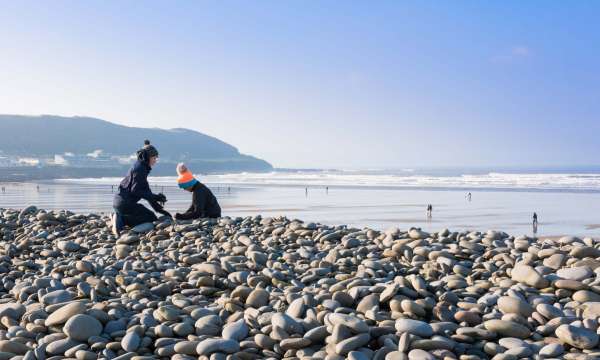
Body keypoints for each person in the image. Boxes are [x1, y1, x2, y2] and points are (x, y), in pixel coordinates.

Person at [111, 140, 168, 235]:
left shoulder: (142, 167)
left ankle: (116, 216)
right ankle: (122, 219)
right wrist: (156, 197)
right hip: (124, 203)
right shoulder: (140, 169)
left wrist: (160, 209)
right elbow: (136, 191)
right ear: (147, 157)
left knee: (151, 216)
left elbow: (147, 192)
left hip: (120, 203)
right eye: (154, 157)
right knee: (150, 218)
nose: (155, 160)